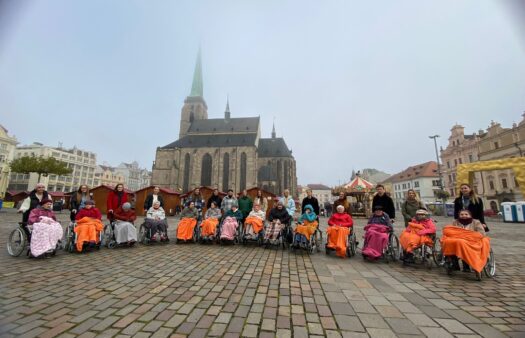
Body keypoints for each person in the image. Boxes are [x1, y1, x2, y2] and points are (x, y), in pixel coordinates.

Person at [441, 209, 489, 278]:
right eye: (462, 214)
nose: (464, 216)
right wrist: (460, 235)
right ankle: (453, 263)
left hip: (472, 241)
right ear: (459, 215)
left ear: (470, 215)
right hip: (458, 240)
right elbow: (451, 231)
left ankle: (473, 264)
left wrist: (469, 236)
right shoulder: (455, 222)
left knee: (462, 242)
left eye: (466, 214)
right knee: (448, 241)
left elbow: (481, 233)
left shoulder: (476, 222)